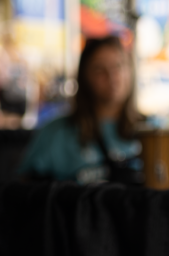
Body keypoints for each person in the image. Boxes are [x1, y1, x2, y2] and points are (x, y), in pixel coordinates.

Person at [16, 35, 143, 184]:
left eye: (118, 66)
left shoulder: (156, 131)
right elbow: (24, 191)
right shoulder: (57, 133)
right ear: (84, 77)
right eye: (99, 69)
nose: (112, 76)